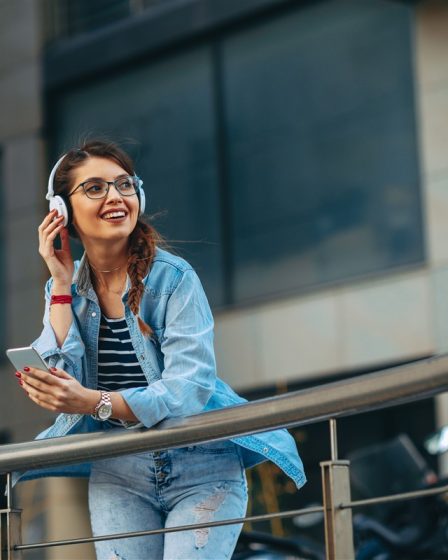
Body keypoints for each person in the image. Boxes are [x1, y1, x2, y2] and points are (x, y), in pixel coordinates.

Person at [14, 139, 306, 560]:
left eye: (124, 185)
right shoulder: (62, 288)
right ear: (61, 211)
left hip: (203, 464)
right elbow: (68, 388)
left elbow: (190, 387)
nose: (115, 197)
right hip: (119, 471)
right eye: (94, 188)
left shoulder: (174, 278)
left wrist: (97, 402)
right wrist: (60, 284)